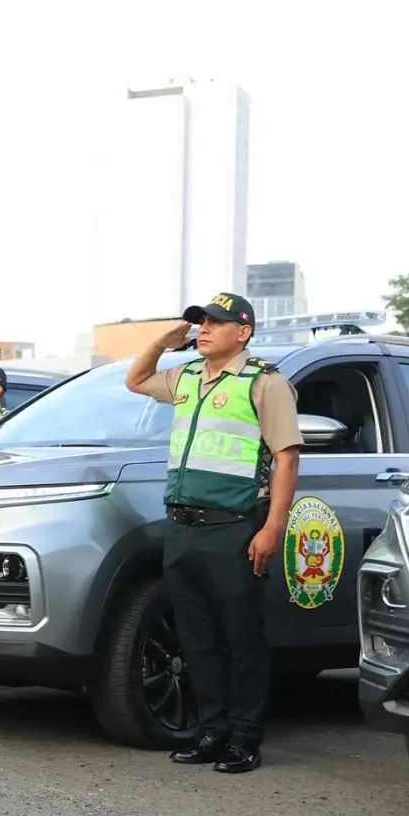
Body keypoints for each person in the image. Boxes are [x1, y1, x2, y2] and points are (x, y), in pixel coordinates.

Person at [125, 292, 300, 775]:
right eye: (200, 322)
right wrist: (163, 340)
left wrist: (272, 528)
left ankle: (244, 737)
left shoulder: (263, 382)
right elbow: (135, 379)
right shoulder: (185, 378)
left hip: (233, 529)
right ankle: (211, 730)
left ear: (242, 332)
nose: (203, 328)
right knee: (196, 637)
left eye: (215, 322)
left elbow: (287, 456)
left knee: (241, 638)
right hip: (183, 527)